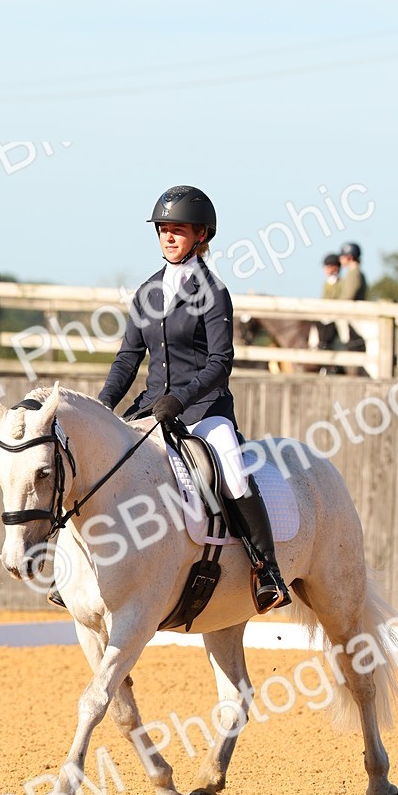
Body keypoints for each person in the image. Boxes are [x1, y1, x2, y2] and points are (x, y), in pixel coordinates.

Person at [97, 185, 291, 613]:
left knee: (235, 475)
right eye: (163, 229)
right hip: (151, 408)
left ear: (201, 235)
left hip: (205, 410)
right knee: (105, 466)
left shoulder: (213, 291)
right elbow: (128, 357)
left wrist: (180, 399)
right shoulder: (148, 290)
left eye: (177, 230)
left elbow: (221, 361)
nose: (168, 237)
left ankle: (267, 570)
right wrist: (103, 405)